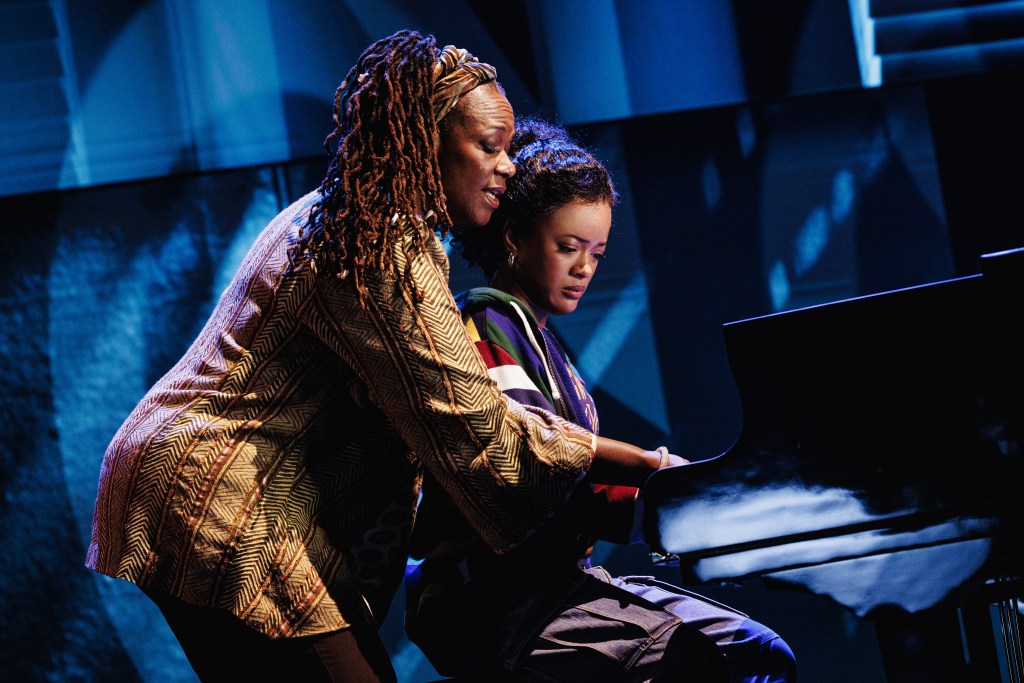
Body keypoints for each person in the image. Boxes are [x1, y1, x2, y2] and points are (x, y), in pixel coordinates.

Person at [85, 31, 666, 682]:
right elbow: (475, 423)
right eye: (490, 147)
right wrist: (645, 463)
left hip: (192, 485)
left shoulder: (348, 218)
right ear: (425, 139)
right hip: (222, 494)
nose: (507, 166)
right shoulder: (379, 244)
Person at [406, 117, 798, 682]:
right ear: (514, 237)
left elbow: (576, 495)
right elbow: (532, 465)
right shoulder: (484, 322)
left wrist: (688, 513)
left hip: (553, 586)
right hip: (496, 599)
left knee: (760, 654)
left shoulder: (537, 341)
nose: (584, 268)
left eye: (597, 253)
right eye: (568, 247)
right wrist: (661, 477)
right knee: (712, 661)